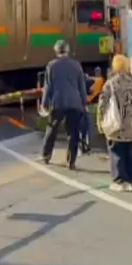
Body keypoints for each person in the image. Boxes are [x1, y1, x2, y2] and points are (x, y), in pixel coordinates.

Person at [41, 39, 88, 170]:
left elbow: (48, 87)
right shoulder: (76, 65)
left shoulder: (51, 66)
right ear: (68, 50)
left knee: (52, 129)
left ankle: (46, 155)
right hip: (74, 103)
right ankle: (71, 161)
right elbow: (81, 86)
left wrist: (44, 103)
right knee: (73, 132)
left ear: (56, 51)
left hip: (58, 102)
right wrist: (84, 102)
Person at [97, 54, 132, 192]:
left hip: (117, 125)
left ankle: (120, 181)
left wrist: (100, 122)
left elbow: (102, 104)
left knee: (117, 151)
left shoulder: (111, 84)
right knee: (131, 152)